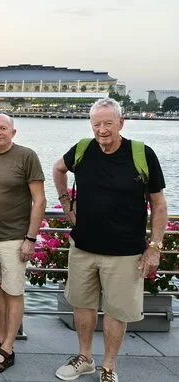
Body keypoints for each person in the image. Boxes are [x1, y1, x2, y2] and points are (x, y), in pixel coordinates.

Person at [53, 98, 167, 382]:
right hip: (83, 247)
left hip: (125, 253)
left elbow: (159, 204)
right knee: (82, 305)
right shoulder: (82, 150)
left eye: (108, 123)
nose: (102, 130)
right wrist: (66, 203)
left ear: (121, 123)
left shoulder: (142, 154)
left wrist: (154, 247)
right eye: (97, 124)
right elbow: (58, 169)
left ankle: (109, 367)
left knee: (117, 312)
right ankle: (85, 358)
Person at [0, 114, 46, 374]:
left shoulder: (27, 156)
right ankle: (0, 341)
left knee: (13, 292)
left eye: (4, 128)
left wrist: (30, 238)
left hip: (14, 238)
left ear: (13, 132)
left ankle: (8, 349)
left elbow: (39, 200)